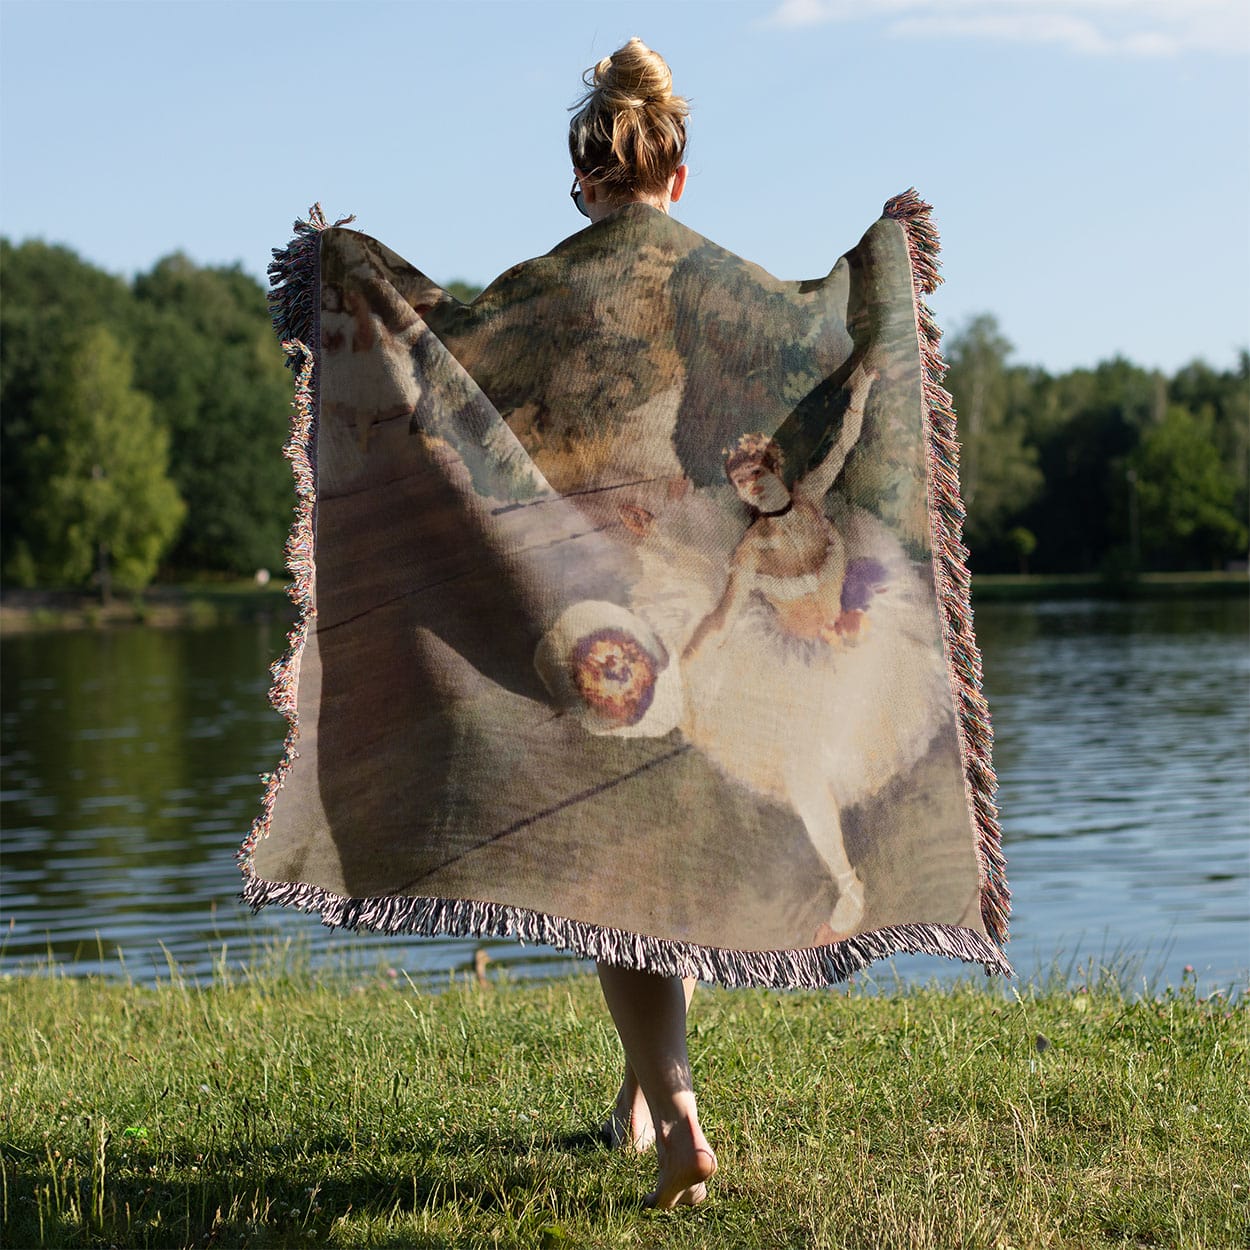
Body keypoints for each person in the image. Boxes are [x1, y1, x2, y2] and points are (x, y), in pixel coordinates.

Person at [566, 37, 717, 1211]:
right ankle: (633, 1098)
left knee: (615, 883)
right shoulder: (722, 292)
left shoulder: (551, 294)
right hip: (706, 616)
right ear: (676, 176)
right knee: (661, 866)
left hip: (596, 620)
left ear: (587, 184)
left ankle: (676, 1117)